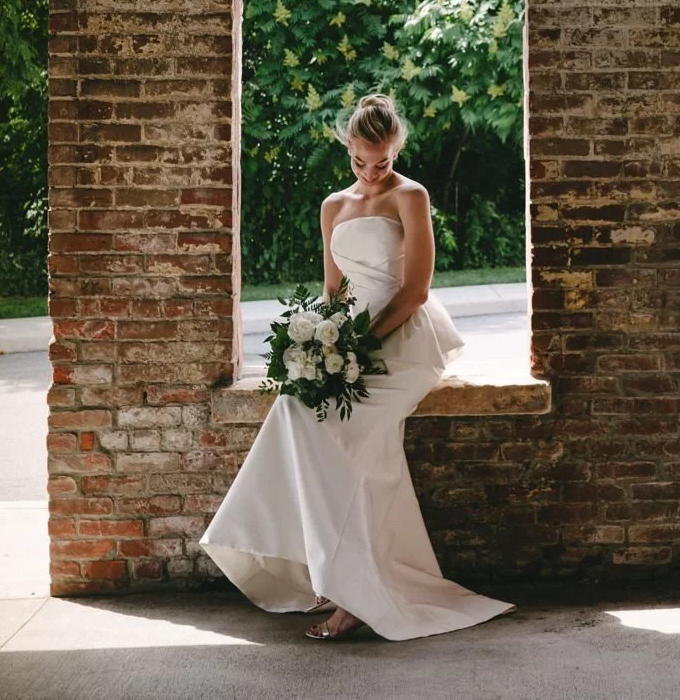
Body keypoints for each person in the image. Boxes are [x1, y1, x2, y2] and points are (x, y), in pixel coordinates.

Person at [200, 94, 513, 641]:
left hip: (404, 340)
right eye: (360, 161)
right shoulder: (332, 206)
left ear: (397, 150)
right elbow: (333, 290)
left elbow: (415, 291)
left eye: (382, 162)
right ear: (348, 147)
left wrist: (359, 345)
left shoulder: (410, 196)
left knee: (350, 439)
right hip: (345, 340)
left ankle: (354, 594)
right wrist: (319, 346)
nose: (371, 173)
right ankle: (326, 572)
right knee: (293, 410)